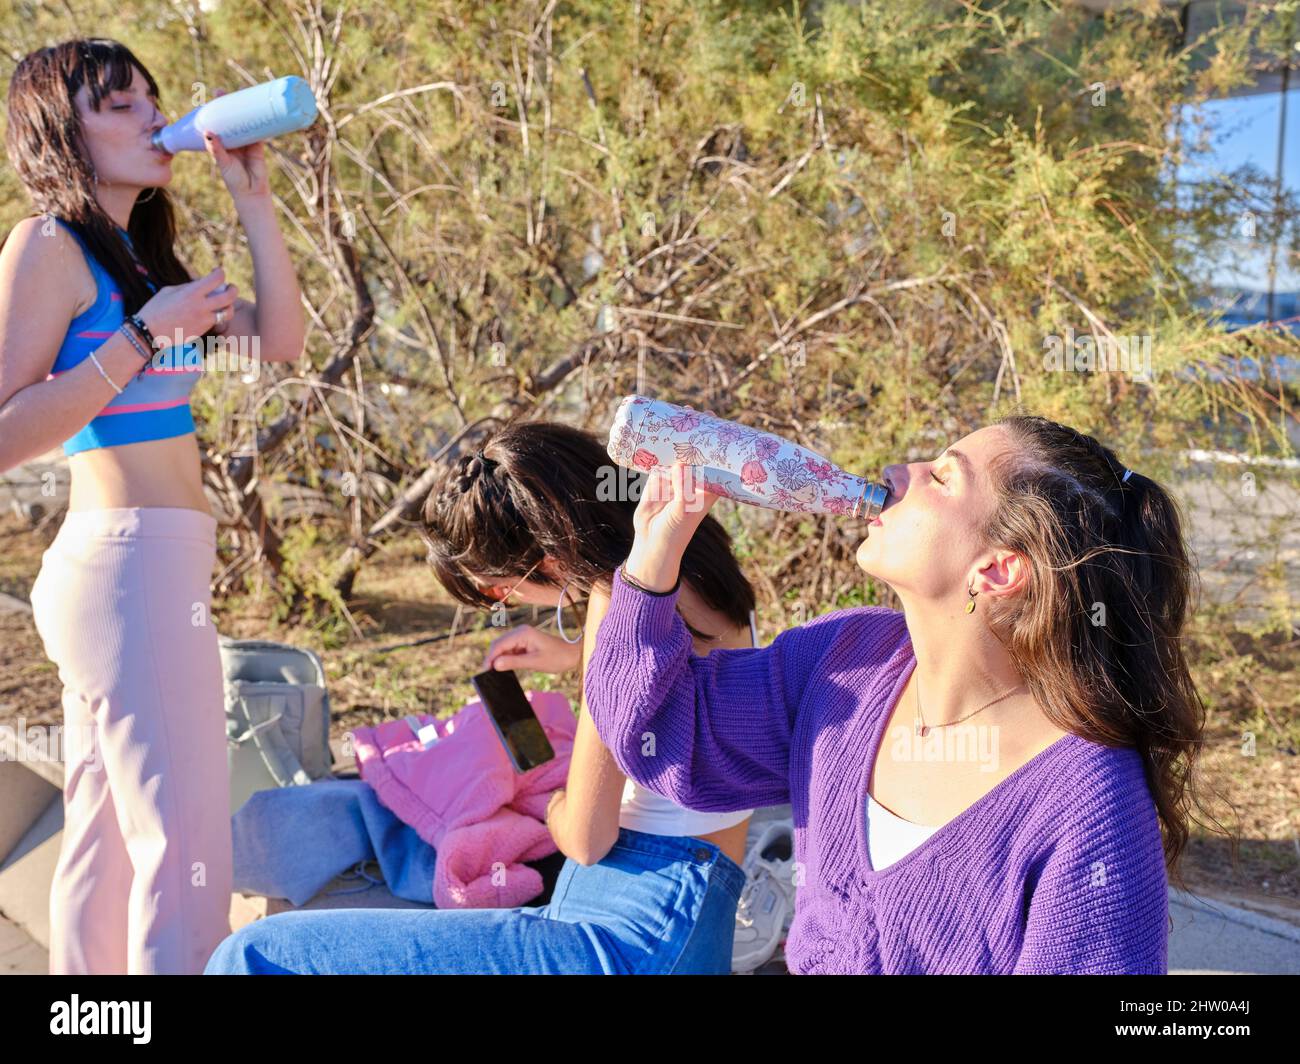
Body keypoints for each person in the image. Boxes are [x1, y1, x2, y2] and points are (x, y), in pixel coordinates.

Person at [583, 415, 1208, 974]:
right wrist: (654, 555)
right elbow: (660, 737)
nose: (896, 472)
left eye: (939, 477)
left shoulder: (1089, 810)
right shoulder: (844, 664)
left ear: (996, 569)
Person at [205, 421, 761, 974]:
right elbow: (677, 670)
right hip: (686, 912)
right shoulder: (699, 566)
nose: (505, 601)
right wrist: (573, 655)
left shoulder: (617, 606)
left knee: (253, 954)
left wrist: (534, 793)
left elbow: (588, 839)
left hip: (631, 938)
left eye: (499, 590)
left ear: (546, 557)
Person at [0, 38, 305, 973]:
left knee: (107, 829)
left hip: (153, 568)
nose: (152, 115)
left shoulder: (140, 258)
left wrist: (252, 199)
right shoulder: (46, 243)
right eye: (120, 103)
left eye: (153, 99)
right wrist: (143, 335)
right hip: (124, 567)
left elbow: (281, 343)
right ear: (63, 129)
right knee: (186, 838)